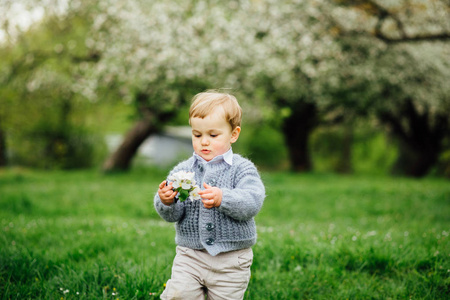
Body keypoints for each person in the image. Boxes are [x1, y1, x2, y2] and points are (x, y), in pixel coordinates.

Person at [154, 91, 266, 300]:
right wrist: (166, 201)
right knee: (177, 295)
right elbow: (172, 215)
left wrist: (223, 198)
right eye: (197, 135)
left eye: (213, 135)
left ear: (233, 134)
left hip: (232, 260)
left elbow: (252, 201)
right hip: (191, 256)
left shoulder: (242, 169)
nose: (204, 142)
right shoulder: (183, 170)